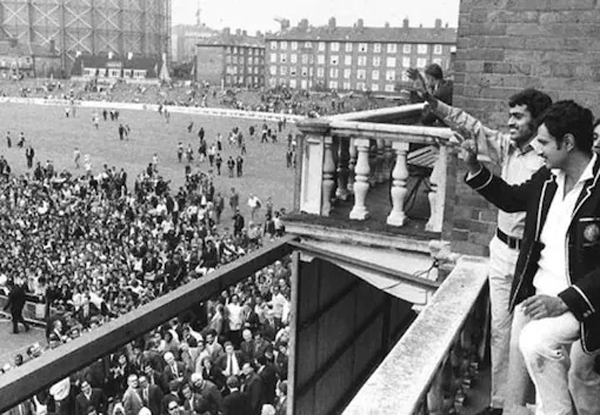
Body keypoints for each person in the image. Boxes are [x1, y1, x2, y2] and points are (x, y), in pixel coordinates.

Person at [410, 77, 553, 415]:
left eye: (518, 116)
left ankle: (528, 404)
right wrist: (437, 107)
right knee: (501, 332)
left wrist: (475, 167)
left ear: (537, 121)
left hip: (531, 258)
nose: (510, 122)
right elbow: (472, 126)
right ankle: (501, 403)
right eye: (510, 115)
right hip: (501, 251)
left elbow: (513, 199)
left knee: (529, 338)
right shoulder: (506, 146)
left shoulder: (546, 159)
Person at [463, 100, 600, 415]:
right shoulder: (547, 179)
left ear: (567, 143)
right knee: (525, 375)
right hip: (535, 296)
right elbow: (511, 199)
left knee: (538, 343)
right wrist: (474, 168)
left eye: (543, 142)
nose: (537, 150)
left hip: (581, 305)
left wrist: (566, 300)